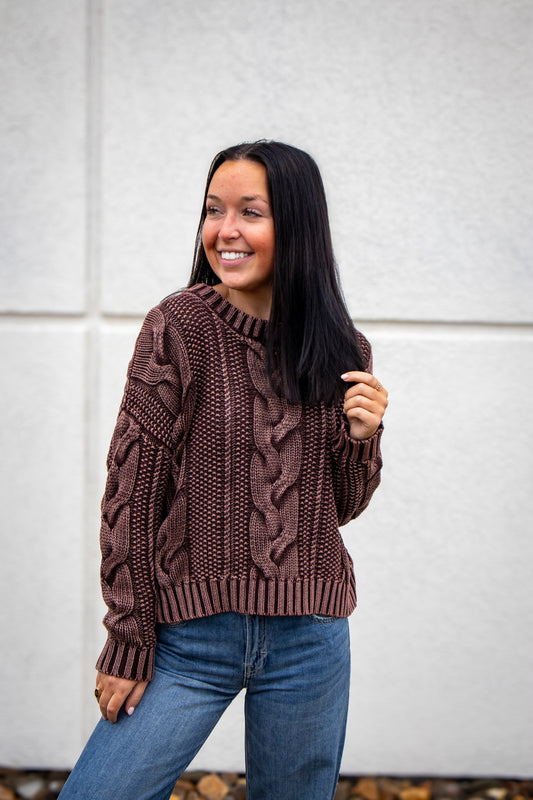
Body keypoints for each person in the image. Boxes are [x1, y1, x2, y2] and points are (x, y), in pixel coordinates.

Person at [59, 140, 388, 800]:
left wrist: (359, 438)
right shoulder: (177, 328)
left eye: (250, 212)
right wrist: (128, 638)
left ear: (296, 226)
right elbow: (131, 494)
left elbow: (336, 509)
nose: (224, 231)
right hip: (189, 639)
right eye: (214, 210)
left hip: (310, 640)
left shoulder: (342, 346)